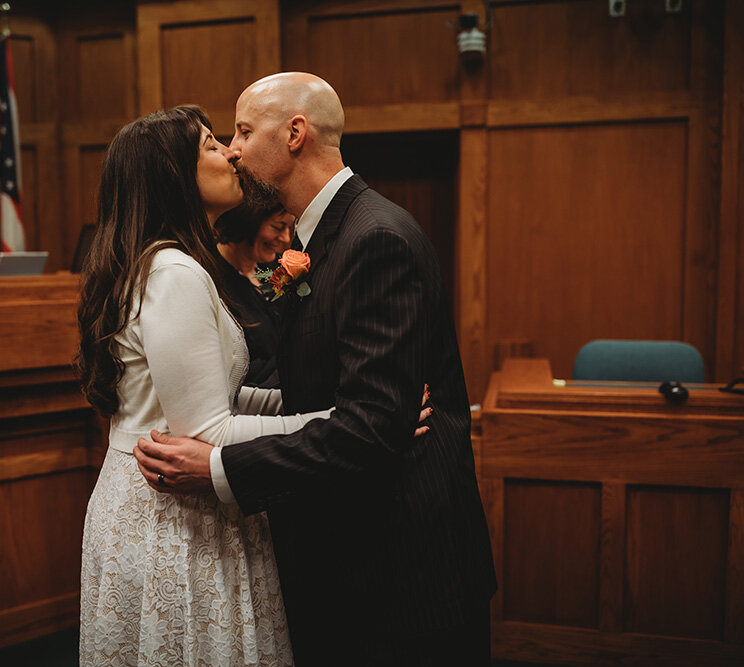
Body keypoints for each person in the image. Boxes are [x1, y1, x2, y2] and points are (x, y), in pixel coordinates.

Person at [134, 73, 497, 665]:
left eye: (245, 130)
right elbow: (319, 390)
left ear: (296, 133)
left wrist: (222, 465)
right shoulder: (321, 237)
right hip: (352, 559)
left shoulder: (373, 238)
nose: (233, 148)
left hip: (402, 573)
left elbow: (374, 428)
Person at [74, 105, 434, 665]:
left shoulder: (158, 262)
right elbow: (208, 428)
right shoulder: (174, 273)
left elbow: (213, 396)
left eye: (233, 137)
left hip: (157, 497)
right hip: (177, 511)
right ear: (175, 174)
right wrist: (347, 421)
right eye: (213, 145)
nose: (231, 154)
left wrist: (338, 404)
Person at [215, 201, 295, 387]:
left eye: (289, 228)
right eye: (277, 227)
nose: (284, 238)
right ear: (249, 220)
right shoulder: (214, 279)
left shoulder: (270, 269)